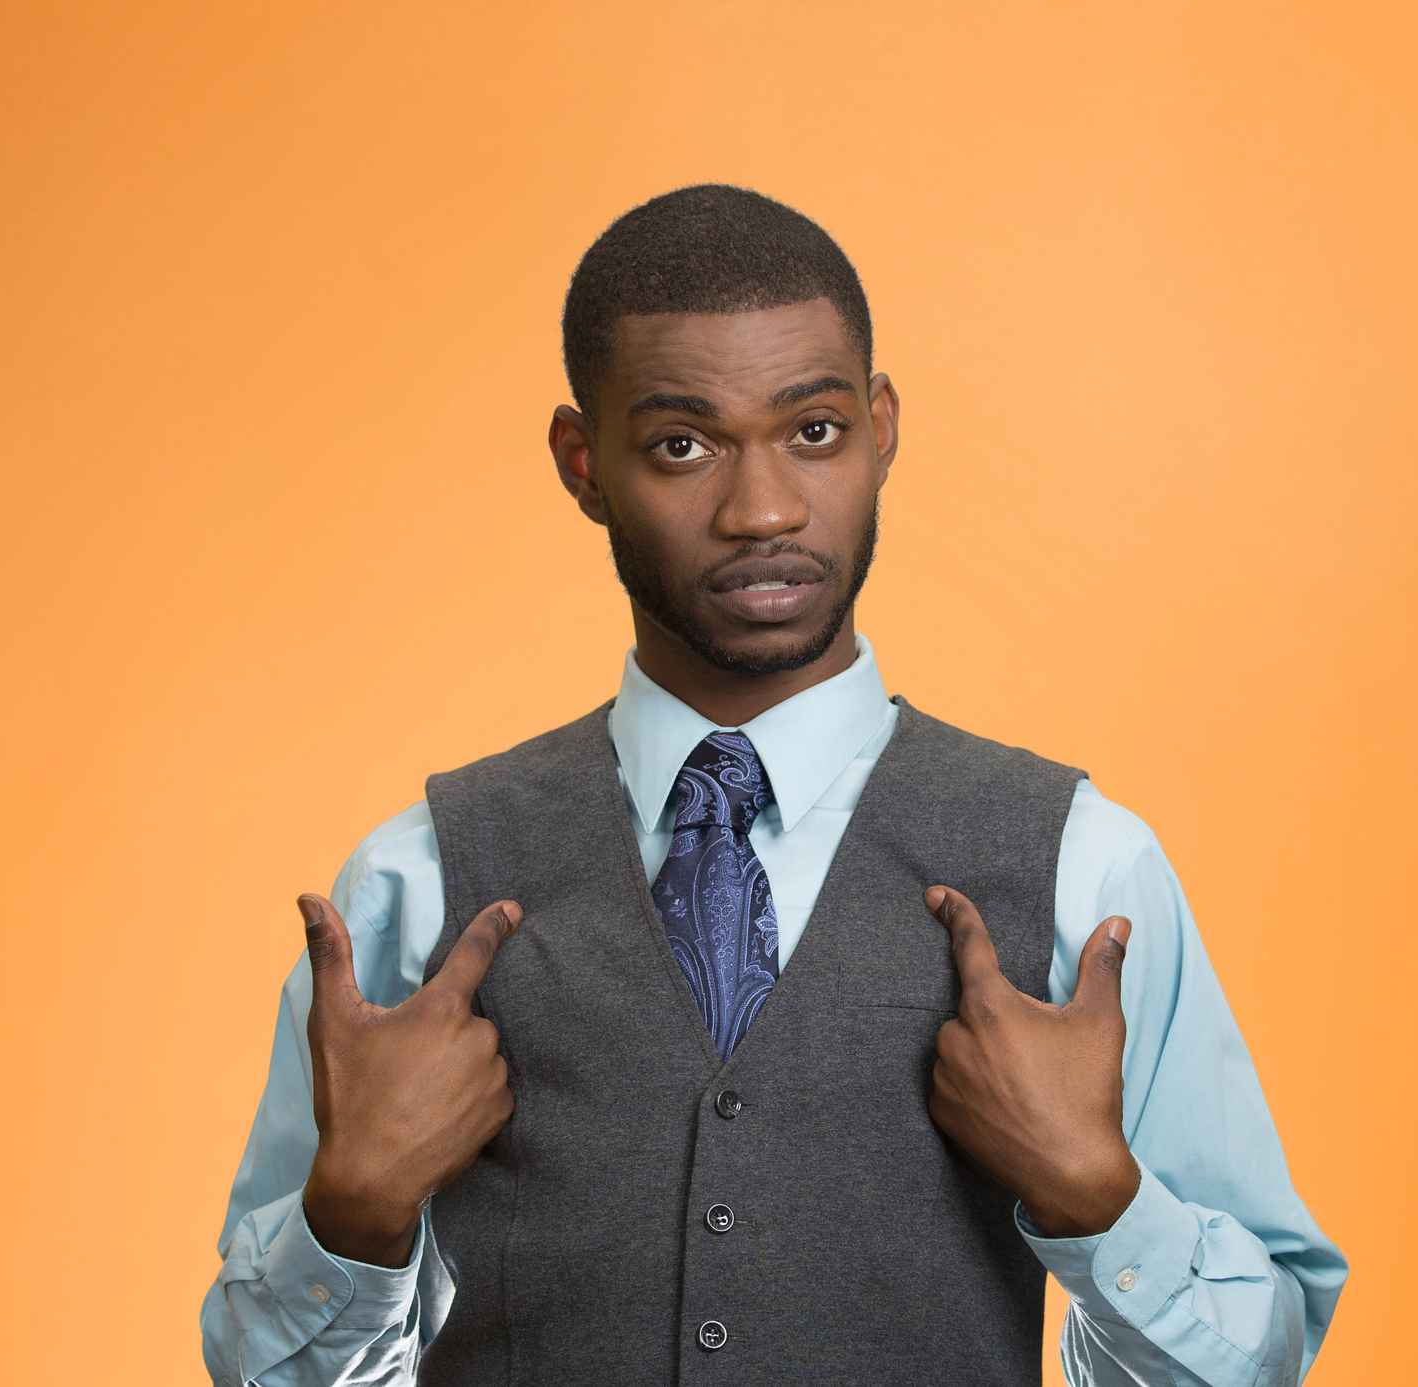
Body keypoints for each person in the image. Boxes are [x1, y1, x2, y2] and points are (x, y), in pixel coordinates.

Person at [201, 184, 1346, 1386]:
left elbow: (1252, 1360)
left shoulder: (1081, 871)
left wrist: (1097, 1200)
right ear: (582, 464)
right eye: (681, 445)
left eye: (813, 431)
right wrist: (353, 1215)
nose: (764, 510)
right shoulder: (418, 884)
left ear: (881, 427)